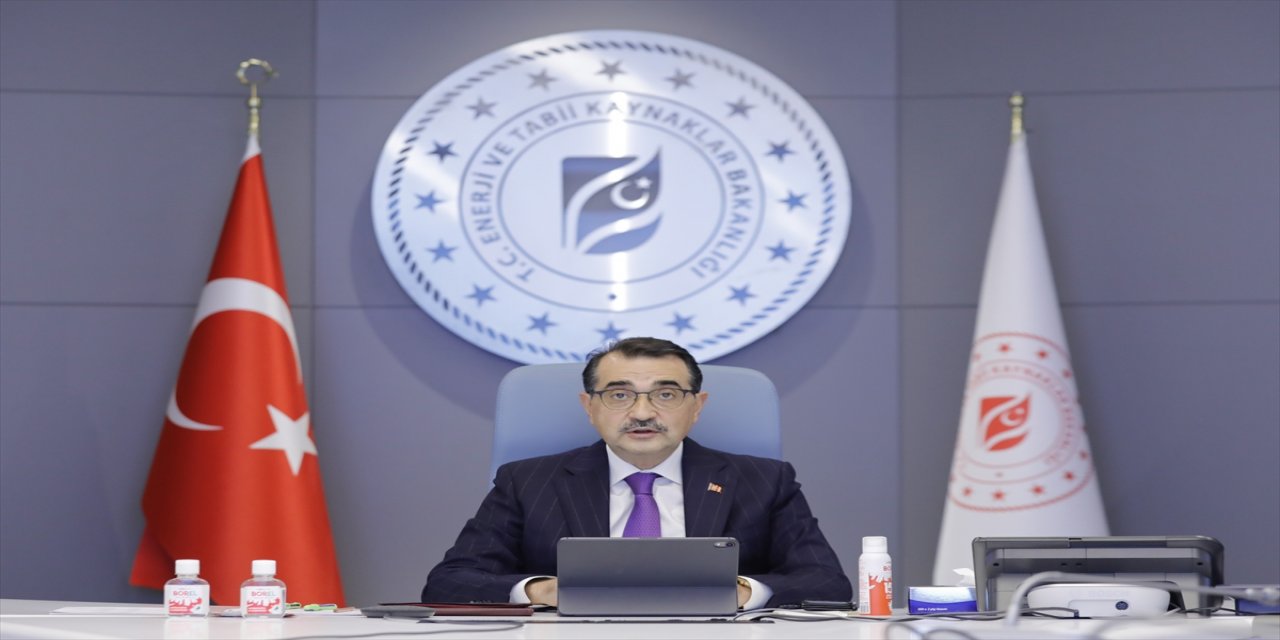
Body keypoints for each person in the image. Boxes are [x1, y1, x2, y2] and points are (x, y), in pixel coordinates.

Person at [422, 337, 851, 608]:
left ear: (697, 406)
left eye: (666, 394)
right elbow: (448, 583)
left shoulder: (764, 481)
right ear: (589, 407)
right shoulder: (527, 482)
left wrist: (742, 592)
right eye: (619, 395)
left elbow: (827, 582)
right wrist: (541, 591)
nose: (642, 412)